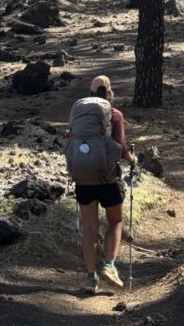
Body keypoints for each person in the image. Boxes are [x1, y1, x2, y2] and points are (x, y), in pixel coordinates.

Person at [74, 74, 137, 295]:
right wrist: (132, 159)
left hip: (83, 178)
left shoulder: (80, 114)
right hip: (108, 178)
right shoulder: (115, 114)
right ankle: (109, 266)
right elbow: (120, 148)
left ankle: (91, 278)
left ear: (90, 94)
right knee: (115, 222)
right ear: (109, 93)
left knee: (90, 229)